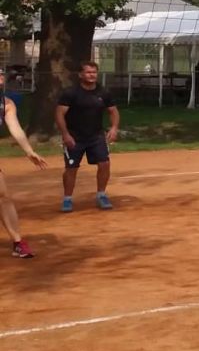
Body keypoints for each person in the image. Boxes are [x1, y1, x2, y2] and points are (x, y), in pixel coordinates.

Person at [54, 61, 119, 212]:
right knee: (71, 168)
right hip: (74, 137)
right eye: (88, 72)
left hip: (96, 136)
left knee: (104, 164)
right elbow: (59, 114)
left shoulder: (103, 92)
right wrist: (65, 134)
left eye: (94, 72)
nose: (92, 75)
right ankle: (67, 199)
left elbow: (113, 111)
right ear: (80, 75)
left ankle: (101, 195)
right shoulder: (71, 93)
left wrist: (114, 128)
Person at [1, 70, 48, 258]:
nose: (1, 75)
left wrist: (29, 151)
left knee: (3, 197)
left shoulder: (6, 104)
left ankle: (17, 242)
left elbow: (16, 129)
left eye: (1, 73)